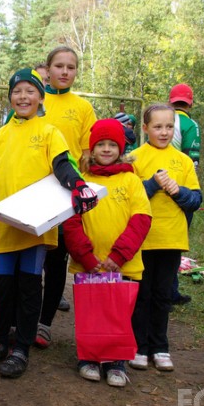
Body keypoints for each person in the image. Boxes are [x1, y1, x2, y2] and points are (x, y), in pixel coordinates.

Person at [0, 68, 98, 378]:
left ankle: (21, 347)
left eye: (30, 91)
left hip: (35, 229)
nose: (23, 96)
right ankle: (1, 340)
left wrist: (79, 185)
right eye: (17, 91)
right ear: (10, 97)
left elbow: (62, 166)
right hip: (3, 227)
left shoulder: (49, 131)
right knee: (1, 287)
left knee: (29, 286)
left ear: (41, 96)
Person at [64, 118, 151, 387]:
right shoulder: (81, 182)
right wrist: (87, 258)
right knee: (91, 313)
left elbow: (141, 219)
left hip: (122, 265)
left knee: (118, 315)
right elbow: (71, 222)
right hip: (89, 266)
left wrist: (118, 256)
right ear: (91, 149)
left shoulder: (132, 180)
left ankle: (116, 362)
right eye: (100, 144)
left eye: (112, 144)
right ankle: (88, 358)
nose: (105, 149)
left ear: (121, 148)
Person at [128, 104, 201, 372]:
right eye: (157, 127)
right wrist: (152, 184)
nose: (164, 132)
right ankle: (138, 347)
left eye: (169, 126)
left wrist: (177, 190)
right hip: (142, 240)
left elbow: (195, 200)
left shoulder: (183, 161)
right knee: (141, 295)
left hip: (172, 238)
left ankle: (160, 347)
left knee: (162, 296)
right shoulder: (134, 158)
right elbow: (129, 198)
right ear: (145, 129)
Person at [36, 45, 97, 349]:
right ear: (47, 70)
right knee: (31, 256)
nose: (64, 72)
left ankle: (44, 323)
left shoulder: (83, 108)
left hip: (65, 192)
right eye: (58, 66)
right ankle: (22, 318)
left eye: (70, 67)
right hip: (32, 191)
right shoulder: (33, 98)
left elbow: (86, 156)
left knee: (56, 258)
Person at [168, 83, 201, 307]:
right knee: (174, 243)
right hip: (180, 189)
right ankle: (170, 292)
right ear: (190, 103)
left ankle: (166, 291)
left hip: (155, 184)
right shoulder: (190, 124)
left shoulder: (160, 117)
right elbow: (193, 158)